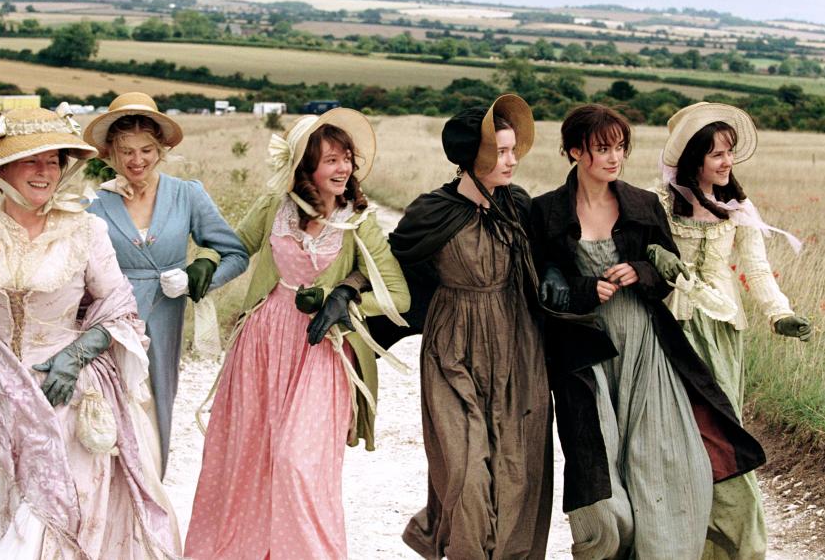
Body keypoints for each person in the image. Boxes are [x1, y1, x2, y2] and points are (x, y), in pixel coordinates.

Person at [0, 105, 178, 558]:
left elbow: (119, 309)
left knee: (48, 518)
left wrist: (76, 356)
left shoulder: (85, 229)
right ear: (1, 167)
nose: (45, 172)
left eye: (54, 161)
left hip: (64, 394)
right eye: (32, 160)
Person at [528, 104, 765, 559]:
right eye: (602, 148)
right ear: (575, 151)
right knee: (600, 475)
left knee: (667, 461)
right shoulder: (545, 212)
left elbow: (668, 273)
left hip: (646, 347)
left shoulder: (642, 203)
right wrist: (579, 289)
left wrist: (640, 270)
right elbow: (538, 284)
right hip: (586, 357)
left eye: (620, 147)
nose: (614, 157)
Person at [184, 108, 410, 559]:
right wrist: (209, 259)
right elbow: (235, 245)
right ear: (305, 165)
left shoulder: (358, 221)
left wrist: (345, 292)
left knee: (297, 463)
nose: (344, 167)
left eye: (347, 157)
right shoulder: (276, 208)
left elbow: (398, 295)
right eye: (331, 159)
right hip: (263, 344)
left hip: (320, 352)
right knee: (247, 457)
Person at [381, 95, 553, 558]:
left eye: (513, 150)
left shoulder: (518, 206)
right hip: (452, 349)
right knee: (465, 474)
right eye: (501, 152)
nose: (512, 160)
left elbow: (550, 263)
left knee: (516, 473)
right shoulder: (432, 211)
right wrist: (345, 292)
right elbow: (387, 264)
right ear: (472, 157)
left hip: (517, 350)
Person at [650, 102, 812, 560]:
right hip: (671, 327)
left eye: (730, 153)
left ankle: (735, 545)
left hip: (721, 331)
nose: (727, 163)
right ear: (694, 157)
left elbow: (758, 272)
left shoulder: (738, 208)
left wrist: (779, 314)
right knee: (675, 436)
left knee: (720, 432)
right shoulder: (660, 201)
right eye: (718, 154)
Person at [84, 92, 249, 477]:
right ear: (110, 153)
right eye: (125, 151)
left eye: (146, 150)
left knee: (158, 404)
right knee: (109, 409)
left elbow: (235, 255)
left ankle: (152, 496)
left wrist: (194, 280)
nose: (136, 160)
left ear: (161, 150)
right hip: (110, 322)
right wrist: (84, 203)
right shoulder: (96, 203)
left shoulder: (187, 194)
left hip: (165, 317)